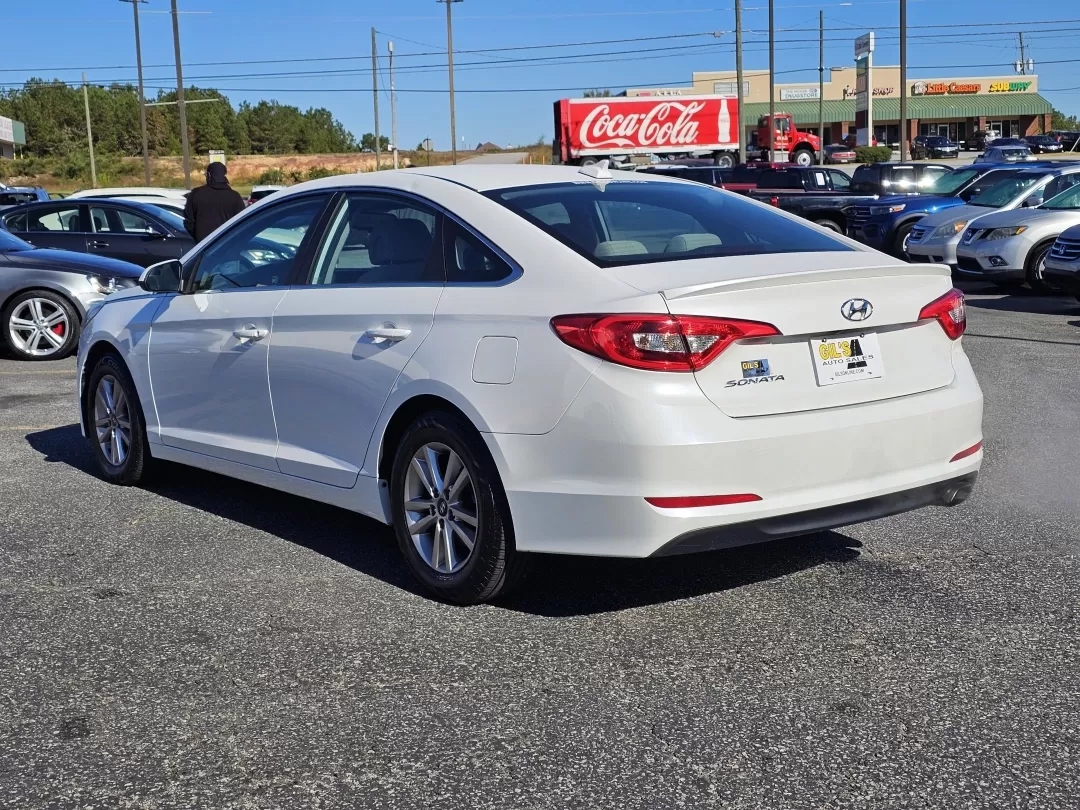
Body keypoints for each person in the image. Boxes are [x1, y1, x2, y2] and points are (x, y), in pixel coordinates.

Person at [183, 162, 246, 242]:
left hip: (203, 245)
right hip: (227, 244)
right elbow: (241, 222)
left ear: (209, 175)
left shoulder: (196, 194)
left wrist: (198, 236)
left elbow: (188, 222)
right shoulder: (235, 197)